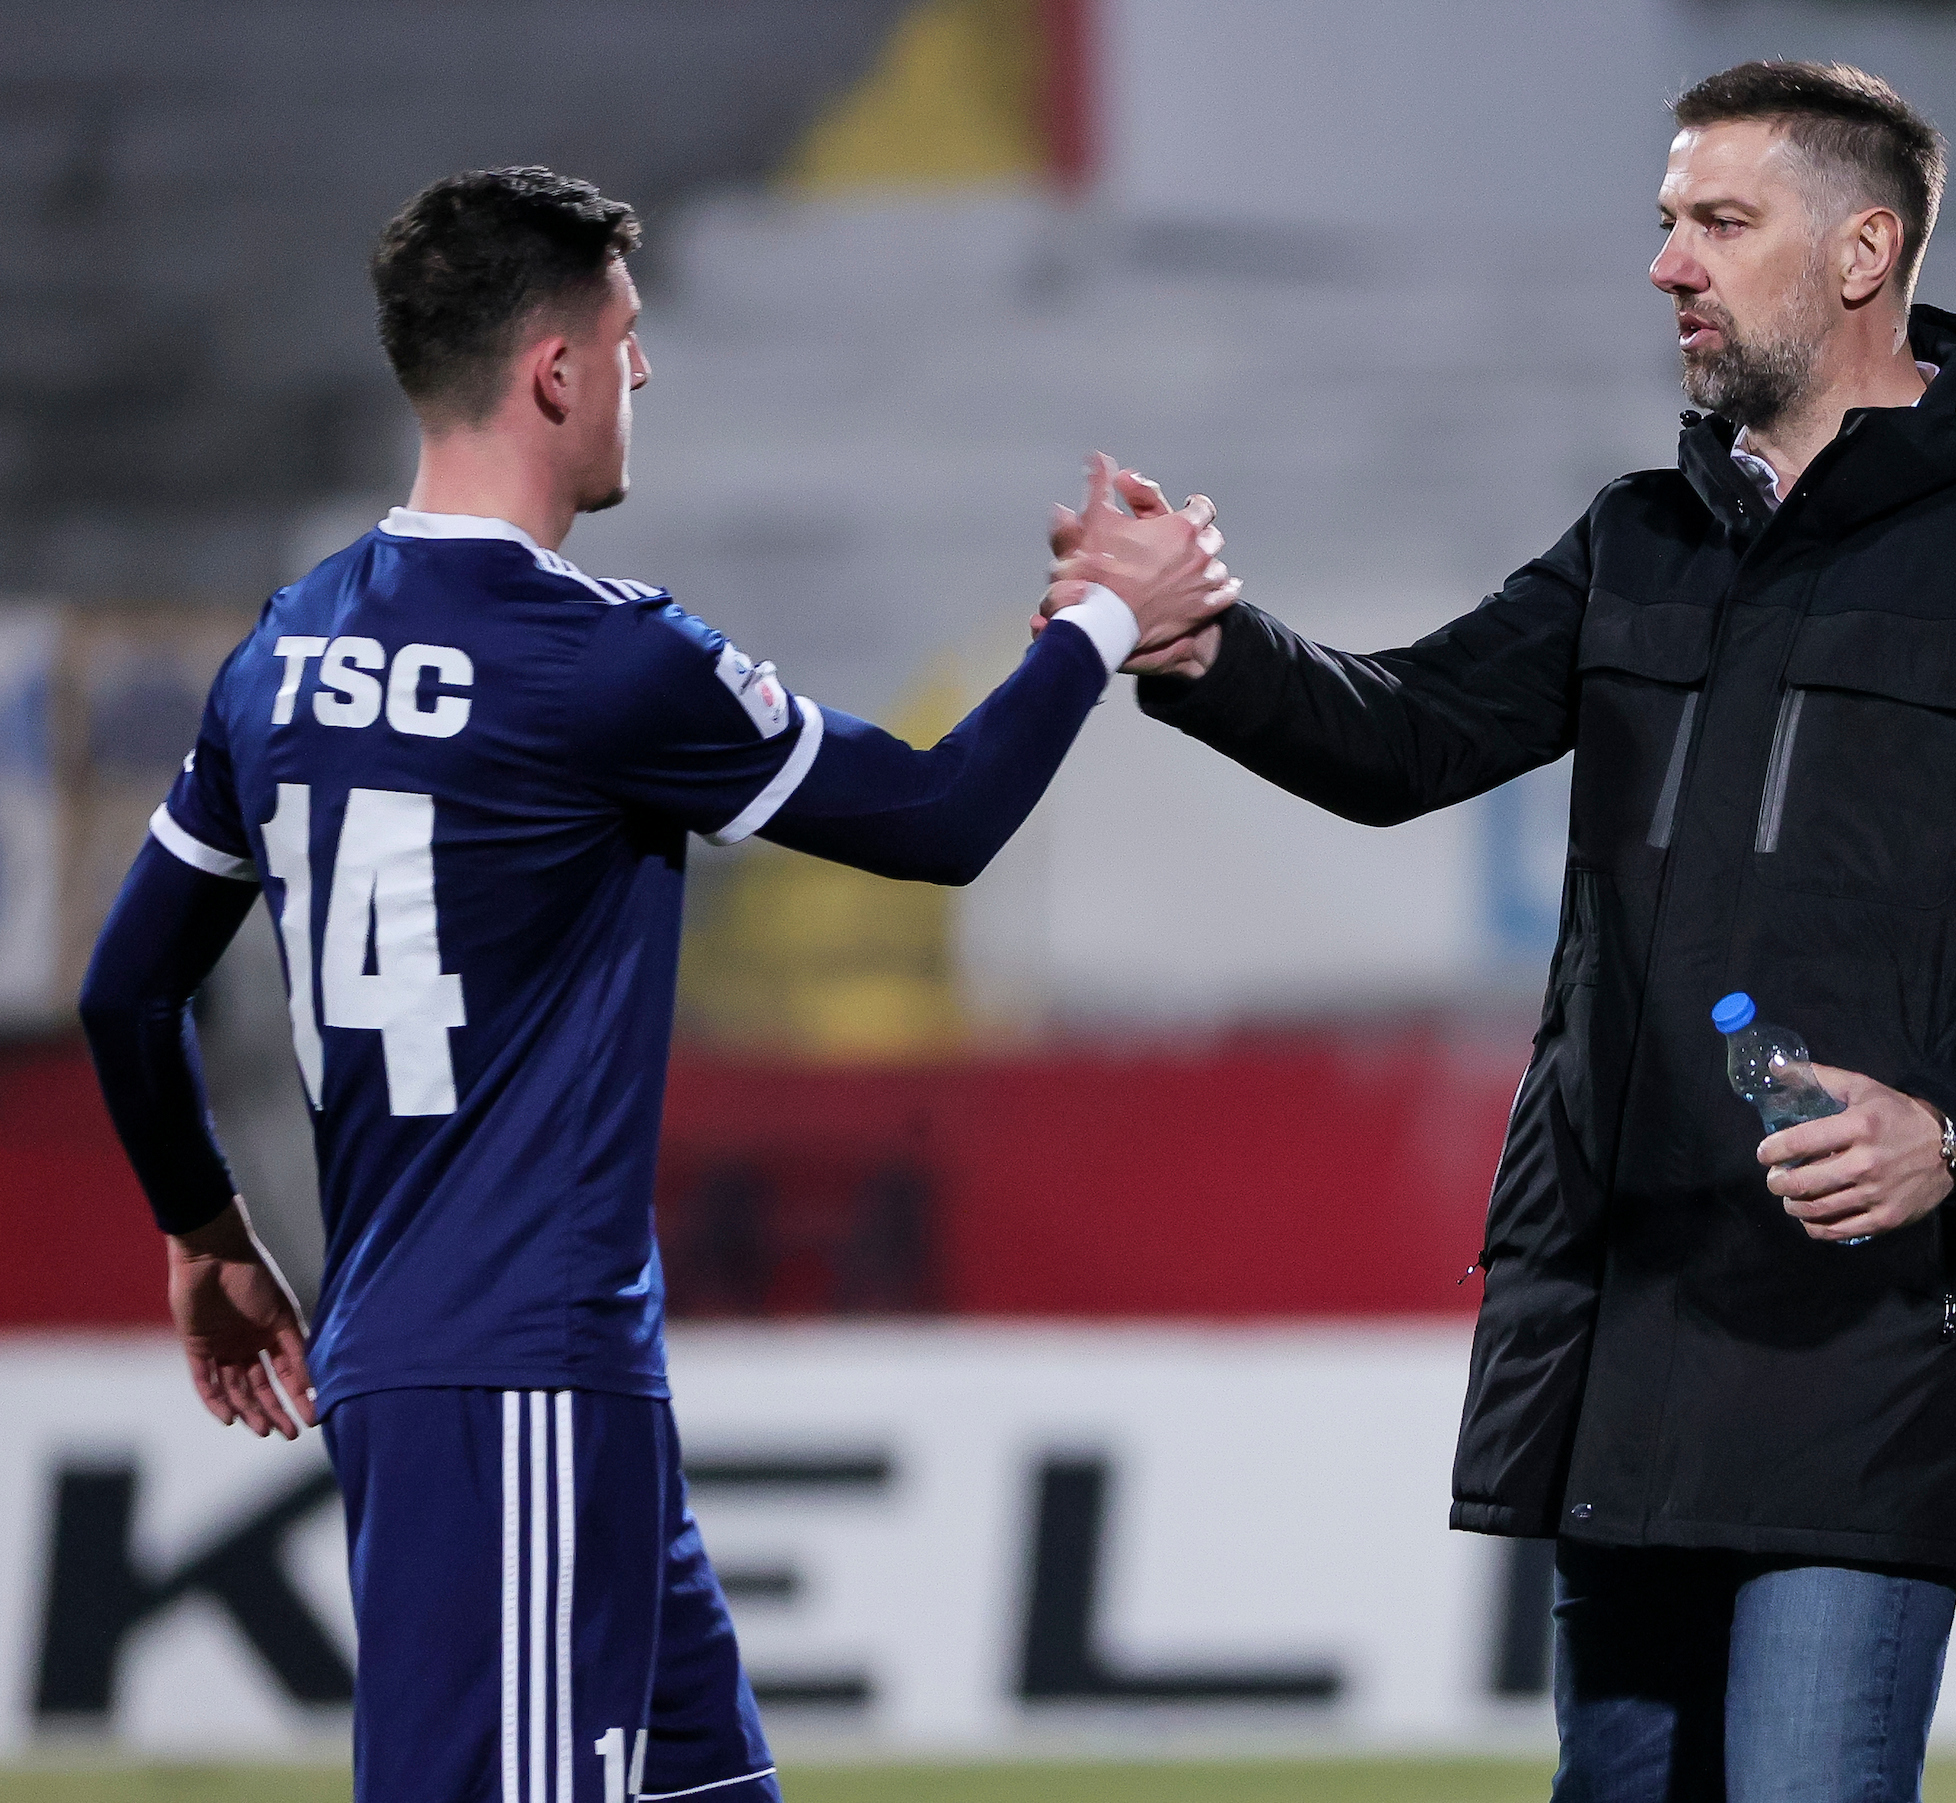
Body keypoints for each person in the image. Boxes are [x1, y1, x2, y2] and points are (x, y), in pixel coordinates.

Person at [1048, 62, 1956, 1803]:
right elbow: (1400, 737)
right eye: (1667, 222)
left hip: (1869, 1333)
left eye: (1719, 223)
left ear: (1861, 252)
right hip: (1630, 1310)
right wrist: (1205, 643)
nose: (1668, 263)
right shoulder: (1637, 538)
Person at [77, 166, 1234, 1803]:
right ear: (553, 369)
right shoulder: (596, 656)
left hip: (468, 1357)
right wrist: (1104, 619)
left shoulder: (284, 651)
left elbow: (130, 994)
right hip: (521, 1376)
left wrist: (203, 1231)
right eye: (626, 339)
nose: (643, 375)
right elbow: (937, 817)